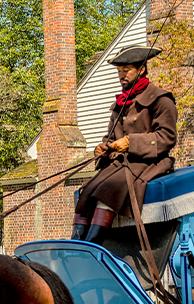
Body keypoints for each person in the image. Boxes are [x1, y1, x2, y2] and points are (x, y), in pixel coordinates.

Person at [71, 45, 178, 243]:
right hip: (119, 164)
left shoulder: (161, 100)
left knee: (108, 189)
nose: (122, 75)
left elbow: (167, 138)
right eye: (119, 71)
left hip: (148, 162)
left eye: (126, 70)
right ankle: (76, 244)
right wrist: (103, 149)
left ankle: (93, 245)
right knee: (86, 192)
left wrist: (131, 143)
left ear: (142, 69)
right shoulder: (120, 104)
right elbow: (110, 138)